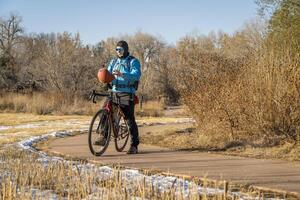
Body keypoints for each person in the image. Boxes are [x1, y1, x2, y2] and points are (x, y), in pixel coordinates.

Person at [107, 40, 141, 154]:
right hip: (114, 91)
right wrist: (104, 78)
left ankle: (134, 145)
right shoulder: (113, 61)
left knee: (129, 119)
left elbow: (136, 75)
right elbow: (107, 72)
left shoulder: (133, 61)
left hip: (127, 93)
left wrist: (123, 75)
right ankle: (103, 136)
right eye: (116, 49)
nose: (118, 52)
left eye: (120, 49)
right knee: (105, 112)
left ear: (125, 50)